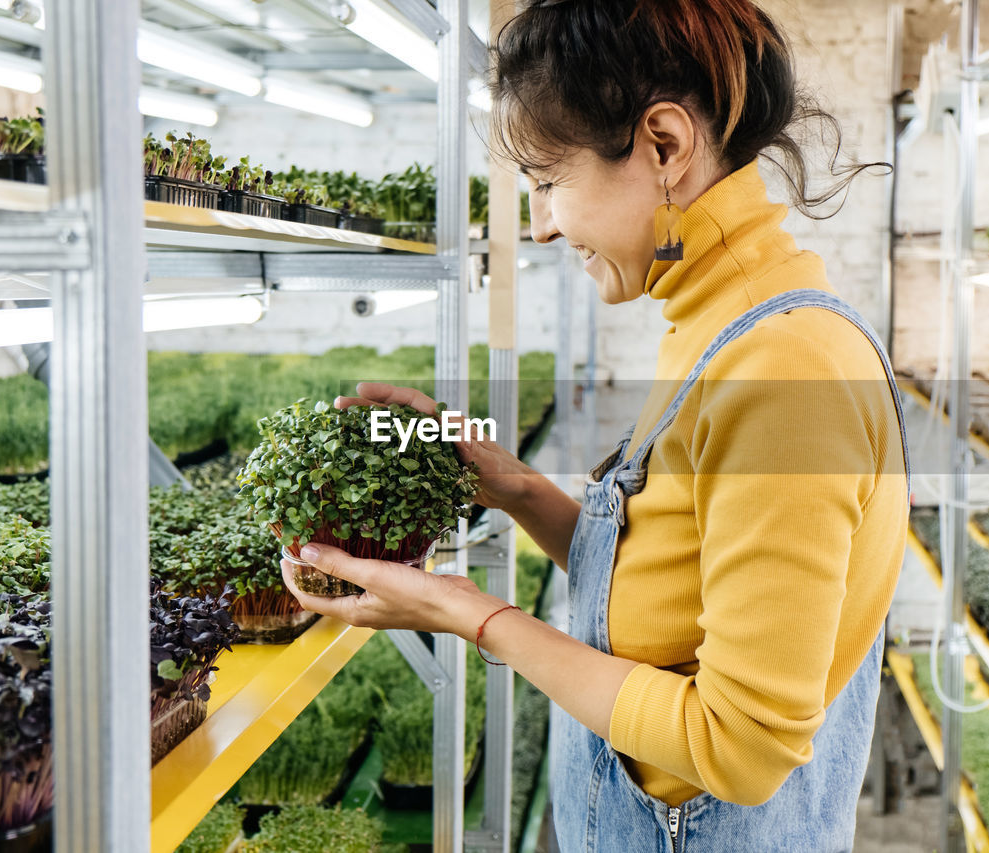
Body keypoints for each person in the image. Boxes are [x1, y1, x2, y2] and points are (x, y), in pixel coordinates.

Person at [281, 1, 910, 850]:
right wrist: (513, 484)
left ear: (663, 145)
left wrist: (470, 614)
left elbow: (741, 746)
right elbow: (669, 580)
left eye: (548, 182)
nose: (540, 225)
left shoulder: (783, 370)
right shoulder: (717, 319)